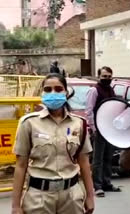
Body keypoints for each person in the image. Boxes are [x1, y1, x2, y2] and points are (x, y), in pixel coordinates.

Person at [11, 73, 94, 214]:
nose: (53, 93)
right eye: (48, 90)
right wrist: (15, 205)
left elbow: (84, 162)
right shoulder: (29, 123)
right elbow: (20, 165)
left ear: (66, 92)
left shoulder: (78, 123)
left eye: (58, 89)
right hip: (38, 198)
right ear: (42, 93)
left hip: (71, 196)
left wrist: (90, 196)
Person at [86, 66, 121, 198]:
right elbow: (89, 111)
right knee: (98, 159)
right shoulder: (94, 91)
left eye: (109, 77)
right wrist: (94, 129)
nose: (107, 79)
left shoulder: (111, 90)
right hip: (99, 130)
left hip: (110, 130)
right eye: (104, 77)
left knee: (108, 157)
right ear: (98, 77)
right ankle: (97, 186)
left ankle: (107, 183)